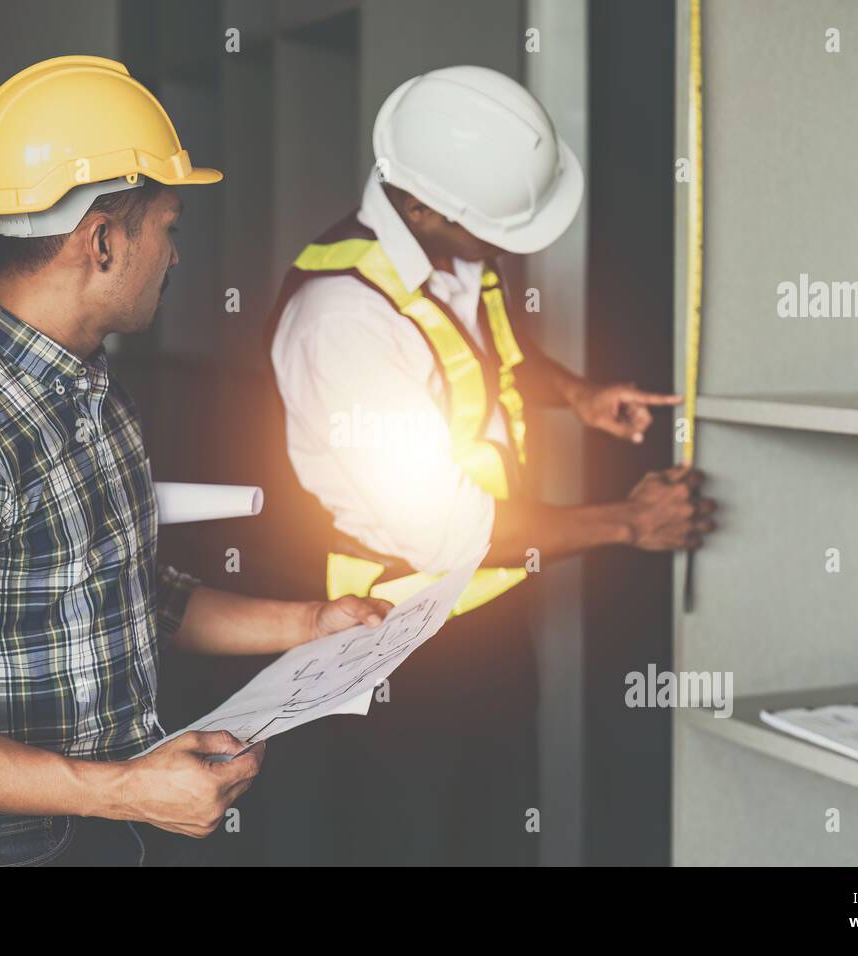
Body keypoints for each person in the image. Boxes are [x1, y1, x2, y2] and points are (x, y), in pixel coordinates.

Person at [0, 55, 389, 867]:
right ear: (102, 240)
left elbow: (132, 595)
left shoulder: (97, 394)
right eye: (167, 229)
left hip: (100, 827)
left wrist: (308, 626)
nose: (174, 257)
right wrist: (122, 789)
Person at [267, 65, 717, 864]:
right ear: (419, 205)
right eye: (499, 230)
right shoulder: (344, 324)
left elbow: (487, 358)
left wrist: (578, 396)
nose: (510, 246)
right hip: (395, 638)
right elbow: (450, 531)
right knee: (416, 839)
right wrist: (630, 521)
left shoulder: (451, 254)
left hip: (490, 611)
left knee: (496, 830)